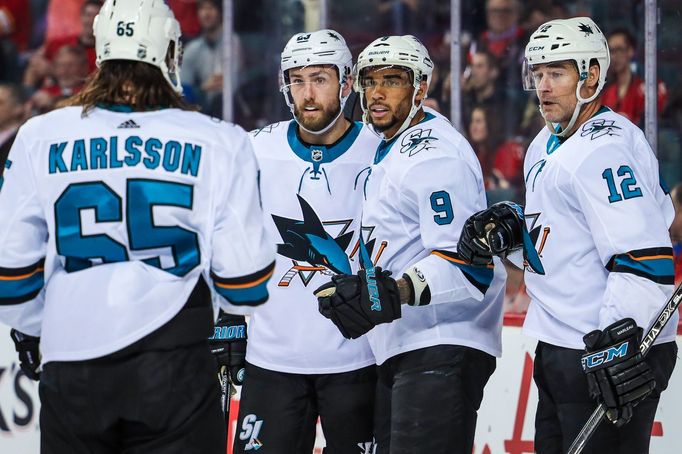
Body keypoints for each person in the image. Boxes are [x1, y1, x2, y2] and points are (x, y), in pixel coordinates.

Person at [0, 1, 275, 453]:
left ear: (100, 51)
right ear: (171, 52)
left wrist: (39, 329)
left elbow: (11, 279)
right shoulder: (218, 139)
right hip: (175, 362)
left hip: (73, 364)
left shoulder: (40, 134)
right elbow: (245, 283)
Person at [458, 17, 678, 453]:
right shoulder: (545, 142)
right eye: (537, 74)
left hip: (605, 350)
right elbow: (561, 245)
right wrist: (513, 235)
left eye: (556, 73)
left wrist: (617, 349)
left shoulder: (606, 149)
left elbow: (644, 260)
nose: (543, 87)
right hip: (559, 346)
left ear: (592, 76)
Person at [314, 35, 506, 453]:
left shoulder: (433, 154)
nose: (377, 93)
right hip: (407, 344)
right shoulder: (392, 147)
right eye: (369, 81)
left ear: (420, 88)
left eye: (393, 80)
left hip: (441, 344)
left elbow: (468, 264)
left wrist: (390, 291)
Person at [227, 29, 379, 454]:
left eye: (320, 79)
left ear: (346, 84)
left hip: (359, 363)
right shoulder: (256, 150)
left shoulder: (381, 151)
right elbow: (230, 238)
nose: (307, 94)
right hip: (271, 364)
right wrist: (228, 317)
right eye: (297, 80)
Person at [601, 27, 666, 127]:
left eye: (619, 50)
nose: (614, 56)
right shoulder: (606, 93)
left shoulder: (647, 87)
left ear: (630, 51)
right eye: (611, 51)